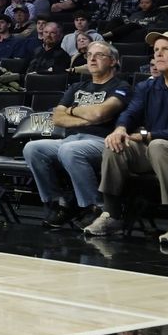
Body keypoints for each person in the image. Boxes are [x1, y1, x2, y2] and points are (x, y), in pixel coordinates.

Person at [84, 31, 168, 242]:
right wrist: (120, 129)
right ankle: (111, 215)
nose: (158, 54)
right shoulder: (146, 86)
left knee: (158, 145)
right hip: (152, 150)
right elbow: (130, 113)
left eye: (165, 49)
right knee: (116, 144)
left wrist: (148, 135)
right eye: (156, 50)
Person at [22, 42, 130, 229]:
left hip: (102, 141)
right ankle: (60, 203)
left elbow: (101, 113)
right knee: (33, 148)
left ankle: (95, 207)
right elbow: (57, 117)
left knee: (69, 150)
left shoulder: (121, 86)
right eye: (89, 55)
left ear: (113, 61)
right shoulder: (77, 87)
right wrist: (84, 118)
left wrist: (73, 112)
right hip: (70, 139)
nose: (92, 59)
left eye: (99, 55)